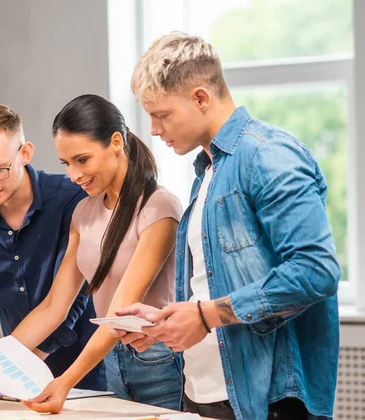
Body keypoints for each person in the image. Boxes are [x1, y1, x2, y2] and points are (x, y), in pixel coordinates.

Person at [115, 32, 341, 420]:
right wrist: (168, 323)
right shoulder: (207, 172)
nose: (152, 129)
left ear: (201, 98)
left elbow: (316, 270)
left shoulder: (267, 154)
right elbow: (215, 287)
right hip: (205, 392)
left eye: (162, 114)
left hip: (265, 401)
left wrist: (204, 315)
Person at [6, 94, 183, 413]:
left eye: (82, 160)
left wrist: (65, 381)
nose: (73, 175)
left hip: (163, 365)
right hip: (113, 364)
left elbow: (119, 316)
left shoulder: (159, 208)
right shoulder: (82, 214)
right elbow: (52, 307)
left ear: (116, 142)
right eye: (66, 163)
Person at [0, 103, 105, 391]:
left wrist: (6, 368)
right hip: (15, 375)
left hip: (87, 371)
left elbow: (69, 304)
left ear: (25, 153)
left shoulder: (73, 200)